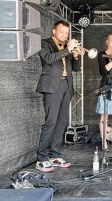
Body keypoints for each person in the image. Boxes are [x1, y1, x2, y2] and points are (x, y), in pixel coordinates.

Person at [36, 20, 81, 172]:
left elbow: (76, 69)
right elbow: (48, 59)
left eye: (67, 33)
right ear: (54, 31)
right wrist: (67, 49)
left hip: (66, 86)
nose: (65, 35)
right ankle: (41, 157)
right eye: (62, 32)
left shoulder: (67, 48)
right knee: (51, 122)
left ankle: (54, 154)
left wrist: (75, 56)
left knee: (62, 122)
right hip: (52, 86)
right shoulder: (44, 43)